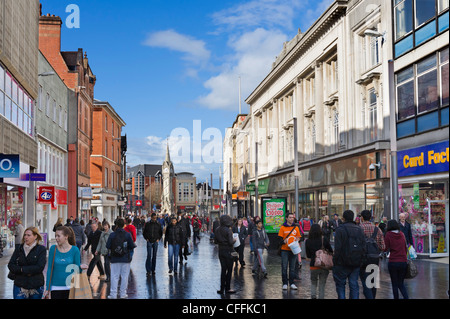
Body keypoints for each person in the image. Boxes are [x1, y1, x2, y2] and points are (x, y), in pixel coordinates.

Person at [44, 226, 87, 299]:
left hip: (70, 287)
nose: (56, 238)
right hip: (55, 287)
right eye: (55, 236)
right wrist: (48, 287)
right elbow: (50, 269)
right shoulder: (53, 249)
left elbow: (77, 271)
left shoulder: (75, 250)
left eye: (58, 236)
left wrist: (81, 268)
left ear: (66, 236)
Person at [332, 210, 366, 299]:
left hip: (342, 262)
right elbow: (363, 246)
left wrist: (335, 261)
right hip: (356, 261)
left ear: (343, 218)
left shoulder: (340, 229)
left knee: (341, 285)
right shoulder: (359, 229)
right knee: (354, 284)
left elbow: (337, 248)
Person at [8, 227, 47, 299]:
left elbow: (40, 267)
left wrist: (22, 269)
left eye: (29, 235)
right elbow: (11, 265)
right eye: (25, 235)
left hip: (36, 285)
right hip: (20, 284)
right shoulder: (19, 248)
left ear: (35, 236)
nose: (26, 237)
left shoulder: (41, 249)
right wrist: (27, 269)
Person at [106, 218, 136, 299]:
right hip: (125, 258)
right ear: (124, 225)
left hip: (114, 258)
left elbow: (108, 246)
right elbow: (132, 245)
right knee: (124, 276)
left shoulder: (112, 235)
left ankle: (113, 294)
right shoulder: (127, 234)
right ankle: (123, 294)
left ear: (116, 225)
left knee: (114, 277)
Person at [359, 210, 385, 299]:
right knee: (373, 283)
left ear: (361, 218)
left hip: (363, 259)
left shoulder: (359, 228)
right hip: (375, 259)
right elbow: (383, 246)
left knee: (366, 283)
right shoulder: (377, 229)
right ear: (370, 218)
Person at [305, 224, 333, 299]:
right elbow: (331, 250)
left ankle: (313, 296)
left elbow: (308, 255)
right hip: (324, 265)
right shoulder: (324, 239)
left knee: (313, 282)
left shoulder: (308, 241)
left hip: (313, 265)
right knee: (322, 284)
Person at [384, 219, 409, 299]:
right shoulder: (402, 234)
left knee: (394, 284)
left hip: (393, 261)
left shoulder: (388, 234)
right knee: (401, 283)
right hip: (403, 261)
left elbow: (385, 248)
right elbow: (405, 248)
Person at [278, 212, 302, 290]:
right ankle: (285, 283)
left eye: (292, 217)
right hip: (285, 250)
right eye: (290, 217)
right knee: (284, 267)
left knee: (292, 268)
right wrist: (283, 241)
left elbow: (299, 237)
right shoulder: (282, 228)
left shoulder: (296, 227)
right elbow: (279, 240)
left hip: (293, 250)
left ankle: (291, 283)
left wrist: (298, 239)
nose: (292, 219)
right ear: (286, 218)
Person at [214, 214, 237, 294]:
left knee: (223, 270)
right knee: (229, 269)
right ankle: (228, 288)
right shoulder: (228, 230)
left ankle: (221, 288)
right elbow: (231, 242)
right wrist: (235, 239)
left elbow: (215, 241)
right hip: (228, 250)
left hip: (221, 250)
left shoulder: (217, 229)